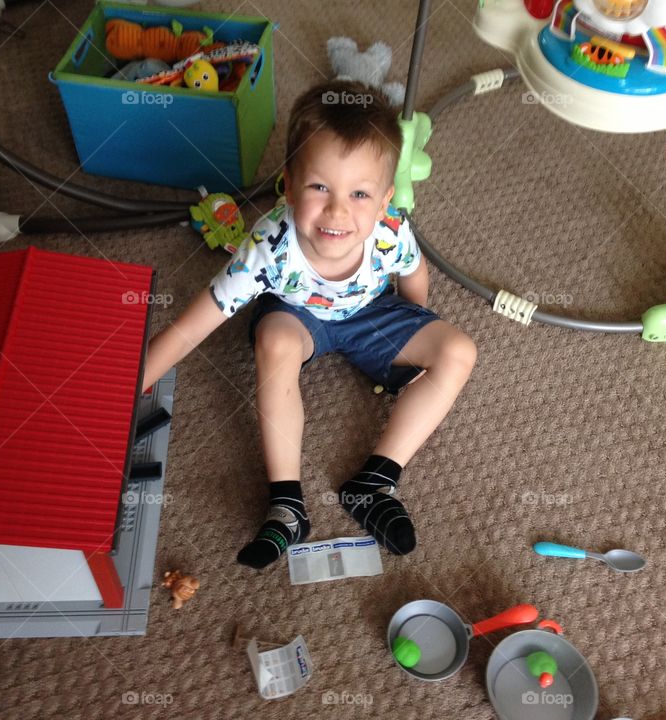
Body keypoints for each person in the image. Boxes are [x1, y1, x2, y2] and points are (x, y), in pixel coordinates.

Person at [142, 80, 477, 570]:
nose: (338, 210)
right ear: (288, 184)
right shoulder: (268, 246)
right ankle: (287, 503)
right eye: (319, 187)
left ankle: (375, 483)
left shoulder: (389, 231)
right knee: (274, 341)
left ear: (384, 201)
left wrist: (410, 330)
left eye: (360, 193)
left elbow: (413, 272)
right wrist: (126, 394)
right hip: (298, 316)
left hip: (370, 314)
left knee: (458, 351)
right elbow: (191, 327)